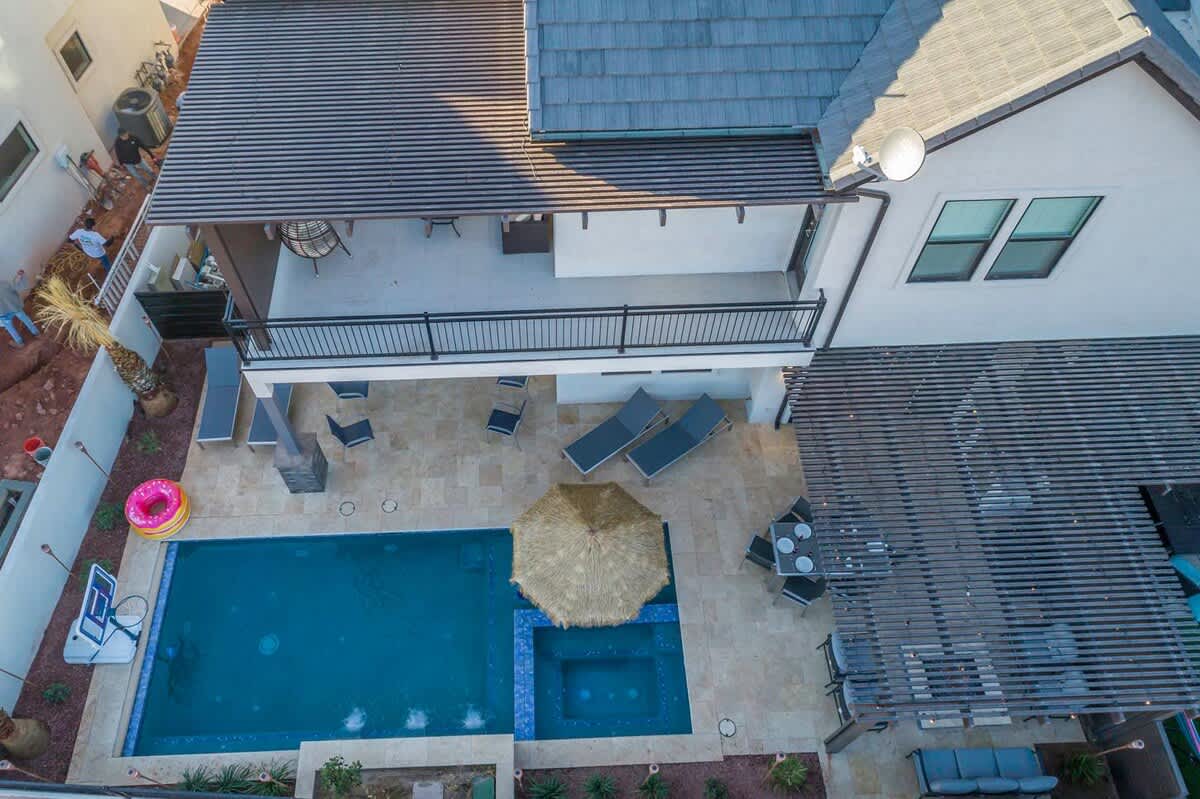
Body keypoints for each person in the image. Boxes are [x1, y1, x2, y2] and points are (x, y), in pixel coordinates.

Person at [0, 270, 38, 348]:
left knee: (9, 327)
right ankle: (37, 333)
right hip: (15, 307)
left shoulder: (6, 283)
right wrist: (21, 276)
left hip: (3, 313)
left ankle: (19, 343)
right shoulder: (5, 283)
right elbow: (21, 286)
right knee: (26, 319)